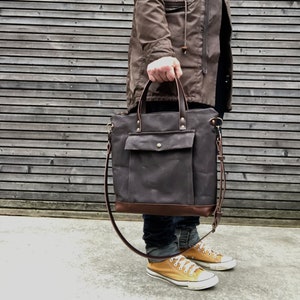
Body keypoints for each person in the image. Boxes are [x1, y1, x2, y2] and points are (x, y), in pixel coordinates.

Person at [126, 0, 236, 290]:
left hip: (206, 78)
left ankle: (186, 239)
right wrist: (160, 52)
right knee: (164, 168)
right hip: (168, 75)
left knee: (195, 166)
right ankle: (161, 251)